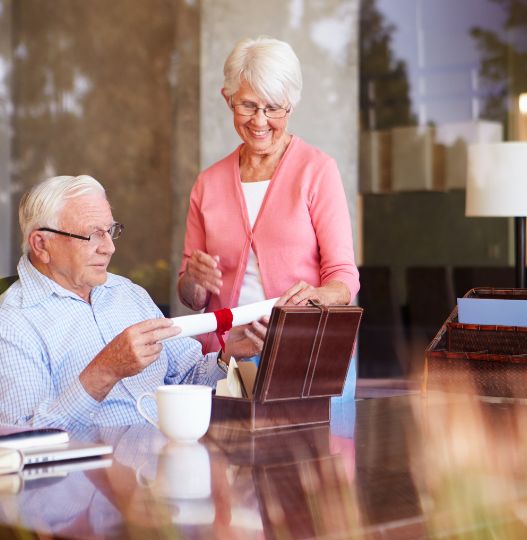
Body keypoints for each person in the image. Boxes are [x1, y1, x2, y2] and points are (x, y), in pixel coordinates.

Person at [0, 175, 260, 429]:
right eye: (92, 235)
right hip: (92, 469)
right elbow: (24, 438)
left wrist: (227, 356)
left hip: (167, 457)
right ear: (41, 244)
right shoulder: (13, 321)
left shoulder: (126, 293)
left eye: (110, 231)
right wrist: (105, 370)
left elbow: (187, 375)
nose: (109, 248)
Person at [177, 36, 360, 359]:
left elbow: (344, 277)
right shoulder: (208, 183)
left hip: (303, 350)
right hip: (226, 356)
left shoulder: (317, 170)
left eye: (273, 107)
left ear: (291, 103)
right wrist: (193, 279)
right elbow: (193, 298)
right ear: (227, 98)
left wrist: (316, 298)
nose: (260, 121)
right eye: (247, 105)